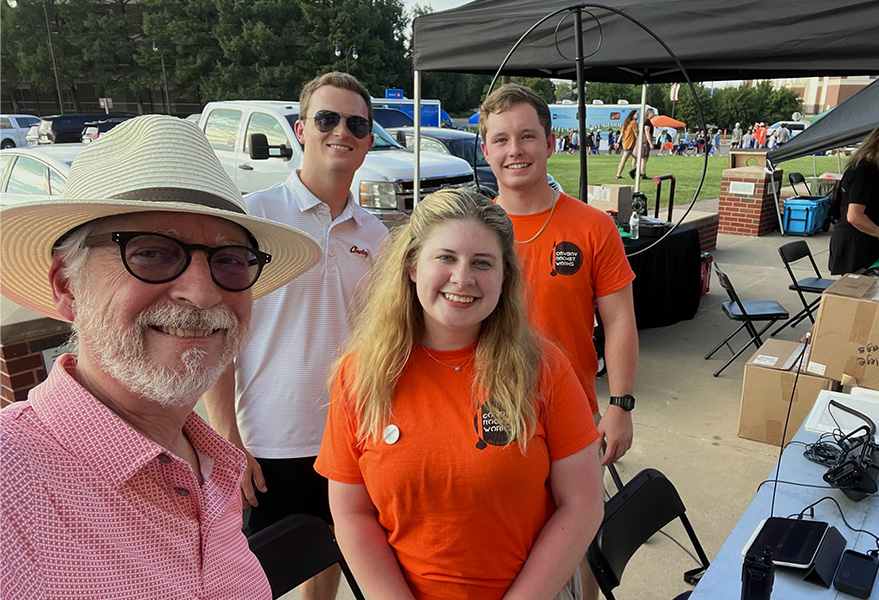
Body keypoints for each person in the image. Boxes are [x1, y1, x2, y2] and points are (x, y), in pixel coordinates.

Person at [0, 115, 322, 598]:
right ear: (68, 286)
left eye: (230, 259)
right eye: (150, 253)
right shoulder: (12, 490)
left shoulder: (211, 464)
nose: (202, 293)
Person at [315, 188, 604, 599]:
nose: (462, 278)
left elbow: (583, 504)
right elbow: (350, 512)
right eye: (446, 257)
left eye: (482, 263)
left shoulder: (545, 369)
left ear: (505, 278)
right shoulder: (361, 375)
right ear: (413, 265)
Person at [204, 72, 388, 600]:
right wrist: (227, 443)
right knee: (256, 580)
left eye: (357, 123)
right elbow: (220, 338)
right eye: (327, 119)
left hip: (348, 439)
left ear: (369, 140)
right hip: (266, 441)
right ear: (301, 129)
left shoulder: (374, 237)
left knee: (327, 553)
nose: (342, 132)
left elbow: (376, 343)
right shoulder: (255, 219)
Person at [479, 83, 638, 600]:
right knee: (501, 547)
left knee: (577, 542)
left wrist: (620, 404)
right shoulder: (472, 229)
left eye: (527, 136)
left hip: (571, 416)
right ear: (485, 149)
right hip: (488, 411)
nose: (514, 150)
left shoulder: (592, 226)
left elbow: (619, 321)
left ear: (550, 141)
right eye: (500, 139)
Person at [828, 117, 879, 275]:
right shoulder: (864, 170)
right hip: (855, 243)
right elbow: (854, 216)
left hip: (871, 241)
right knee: (856, 293)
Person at [632, 108, 656, 180]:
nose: (654, 114)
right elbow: (647, 132)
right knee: (644, 158)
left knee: (639, 157)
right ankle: (643, 173)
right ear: (649, 113)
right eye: (652, 112)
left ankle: (636, 171)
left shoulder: (643, 121)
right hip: (644, 142)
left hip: (641, 141)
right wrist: (650, 143)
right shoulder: (647, 122)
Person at [614, 109, 638, 179]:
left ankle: (633, 171)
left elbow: (621, 133)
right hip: (630, 145)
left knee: (636, 158)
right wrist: (640, 141)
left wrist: (618, 142)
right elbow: (636, 133)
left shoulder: (626, 123)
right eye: (637, 114)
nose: (638, 116)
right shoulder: (634, 123)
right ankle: (618, 174)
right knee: (624, 160)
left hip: (626, 144)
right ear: (633, 115)